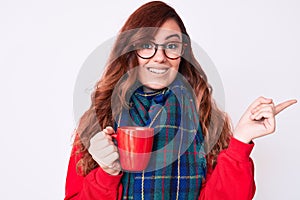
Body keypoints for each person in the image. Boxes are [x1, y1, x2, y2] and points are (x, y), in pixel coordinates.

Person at [64, 1, 297, 200]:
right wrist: (106, 172)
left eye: (172, 46)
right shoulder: (99, 120)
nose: (160, 57)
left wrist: (240, 141)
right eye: (147, 46)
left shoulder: (206, 118)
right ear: (130, 51)